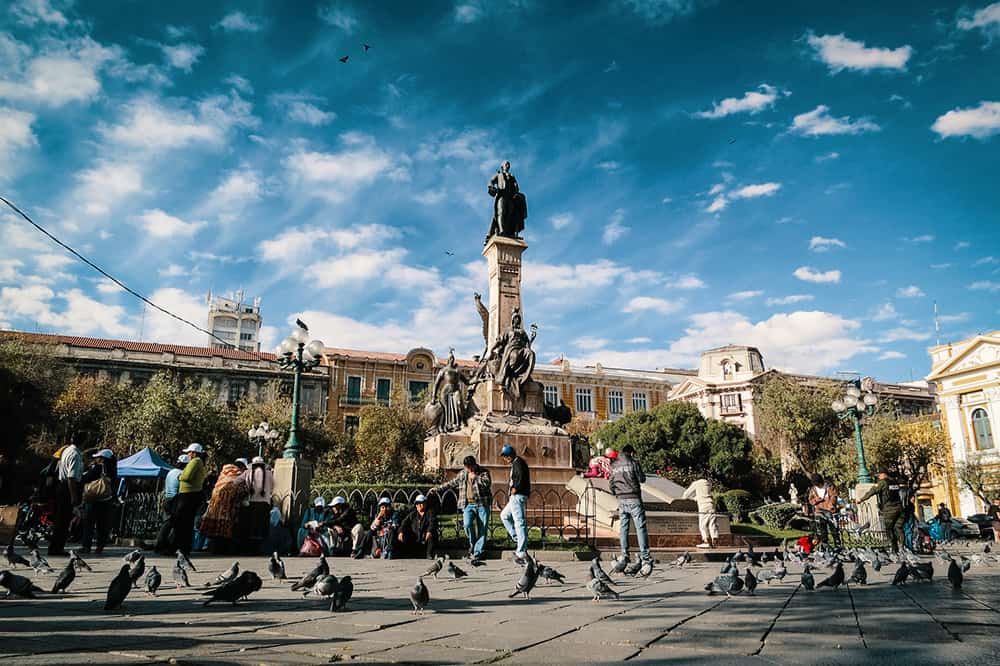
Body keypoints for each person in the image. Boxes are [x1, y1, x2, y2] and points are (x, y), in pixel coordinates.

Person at [430, 455, 493, 562]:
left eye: (471, 467)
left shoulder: (483, 472)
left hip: (482, 504)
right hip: (468, 504)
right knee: (467, 524)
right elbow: (452, 483)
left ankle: (478, 552)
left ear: (475, 464)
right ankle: (472, 544)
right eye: (467, 468)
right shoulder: (463, 473)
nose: (469, 470)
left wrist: (476, 478)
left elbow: (487, 483)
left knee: (482, 528)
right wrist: (438, 489)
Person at [610, 446, 651, 564]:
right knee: (640, 527)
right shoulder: (633, 463)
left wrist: (616, 493)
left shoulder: (614, 465)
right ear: (631, 453)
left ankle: (624, 554)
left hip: (621, 499)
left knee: (623, 528)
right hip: (634, 498)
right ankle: (645, 555)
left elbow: (611, 483)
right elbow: (642, 479)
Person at [200, 463, 249, 554]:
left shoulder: (221, 478)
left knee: (216, 534)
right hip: (227, 511)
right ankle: (223, 550)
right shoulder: (237, 480)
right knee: (225, 533)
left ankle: (215, 549)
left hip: (214, 510)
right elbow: (243, 492)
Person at [858, 469, 906, 553]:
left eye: (879, 475)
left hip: (889, 509)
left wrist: (861, 499)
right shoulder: (894, 482)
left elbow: (873, 491)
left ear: (883, 474)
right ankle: (902, 547)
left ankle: (893, 549)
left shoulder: (883, 483)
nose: (878, 477)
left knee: (889, 529)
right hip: (899, 509)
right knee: (898, 528)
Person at [80, 449, 117, 554]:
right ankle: (100, 546)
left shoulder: (99, 468)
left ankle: (86, 546)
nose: (95, 459)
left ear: (102, 458)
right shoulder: (113, 469)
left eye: (97, 457)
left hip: (94, 499)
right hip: (107, 500)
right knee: (102, 525)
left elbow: (86, 478)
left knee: (89, 523)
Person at [174, 443, 208, 556]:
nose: (188, 454)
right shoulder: (201, 463)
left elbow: (186, 476)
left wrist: (180, 476)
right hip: (194, 494)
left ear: (193, 453)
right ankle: (185, 546)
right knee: (188, 522)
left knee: (183, 522)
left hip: (187, 494)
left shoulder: (195, 462)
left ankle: (181, 546)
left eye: (189, 452)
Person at [49, 442, 83, 556]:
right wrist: (74, 496)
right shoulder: (75, 454)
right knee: (63, 520)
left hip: (62, 486)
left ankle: (55, 546)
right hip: (67, 488)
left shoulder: (66, 451)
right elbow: (71, 477)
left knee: (60, 519)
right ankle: (57, 548)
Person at [499, 444, 530, 564]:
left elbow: (521, 477)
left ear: (509, 455)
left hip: (518, 496)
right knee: (504, 516)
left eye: (505, 456)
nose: (504, 459)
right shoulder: (516, 463)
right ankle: (519, 540)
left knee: (519, 522)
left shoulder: (518, 462)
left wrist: (515, 488)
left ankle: (521, 551)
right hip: (514, 497)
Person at [245, 456, 274, 553]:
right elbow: (272, 486)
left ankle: (251, 549)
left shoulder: (249, 473)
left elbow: (247, 486)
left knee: (252, 526)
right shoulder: (269, 473)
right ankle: (262, 549)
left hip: (252, 503)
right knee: (262, 526)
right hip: (265, 504)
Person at [397, 495, 438, 559]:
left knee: (431, 535)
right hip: (416, 537)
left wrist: (429, 531)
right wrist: (401, 532)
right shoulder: (413, 514)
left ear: (425, 504)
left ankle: (429, 554)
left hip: (426, 537)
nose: (420, 505)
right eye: (418, 503)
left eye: (422, 503)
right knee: (404, 536)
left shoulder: (430, 512)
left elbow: (433, 522)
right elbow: (404, 523)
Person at [807, 474, 841, 548]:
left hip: (829, 511)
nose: (817, 486)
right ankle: (825, 545)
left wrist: (831, 505)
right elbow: (810, 500)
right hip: (819, 511)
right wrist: (817, 500)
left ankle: (838, 545)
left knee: (834, 529)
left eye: (818, 484)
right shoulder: (813, 489)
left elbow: (834, 496)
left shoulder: (829, 486)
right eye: (816, 485)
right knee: (822, 531)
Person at [683, 478, 717, 549]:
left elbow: (686, 495)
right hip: (711, 504)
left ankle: (706, 542)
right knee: (712, 523)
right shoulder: (708, 483)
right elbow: (704, 493)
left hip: (703, 505)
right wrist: (696, 497)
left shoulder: (696, 483)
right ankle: (714, 538)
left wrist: (691, 498)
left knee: (702, 524)